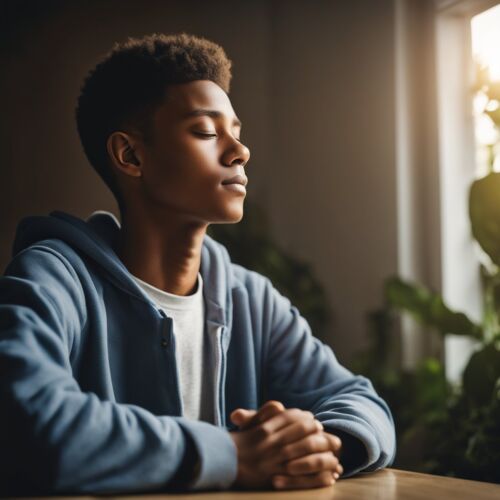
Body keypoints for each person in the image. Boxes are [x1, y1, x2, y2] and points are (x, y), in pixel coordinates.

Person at [0, 33, 395, 495]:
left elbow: (362, 403)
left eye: (237, 133)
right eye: (207, 132)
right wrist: (234, 454)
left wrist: (316, 446)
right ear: (130, 155)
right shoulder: (53, 279)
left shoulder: (250, 299)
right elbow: (27, 419)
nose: (239, 152)